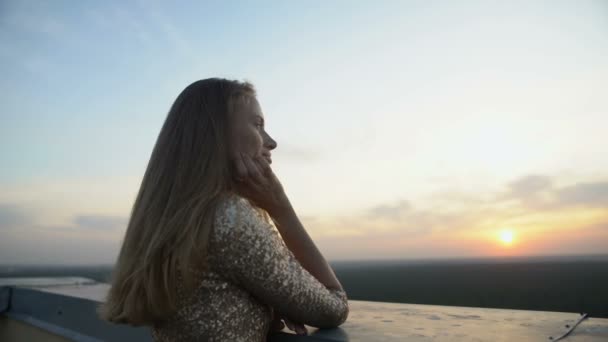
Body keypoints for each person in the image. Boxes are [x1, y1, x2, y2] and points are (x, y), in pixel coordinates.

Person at [98, 78, 349, 341]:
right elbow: (334, 307)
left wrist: (269, 303)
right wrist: (281, 208)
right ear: (215, 135)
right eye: (258, 125)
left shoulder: (179, 218)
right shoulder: (229, 218)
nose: (271, 142)